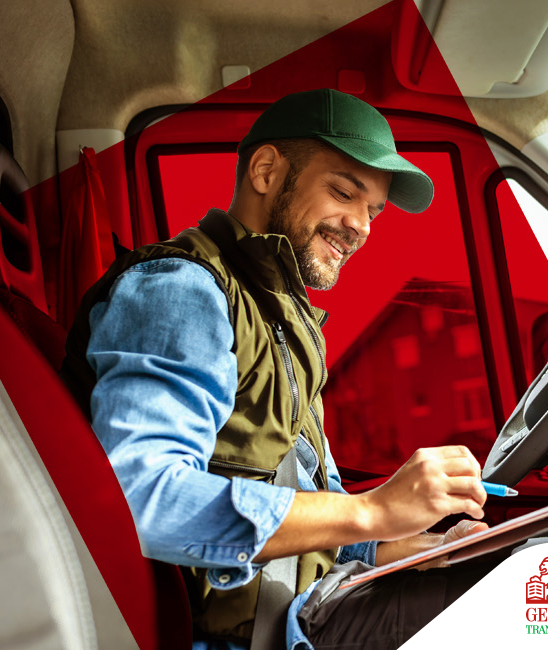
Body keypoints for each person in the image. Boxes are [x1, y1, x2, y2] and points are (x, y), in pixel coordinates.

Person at [59, 89, 497, 650]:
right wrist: (371, 510)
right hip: (267, 628)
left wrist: (393, 547)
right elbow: (141, 499)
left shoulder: (283, 318)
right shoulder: (182, 290)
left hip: (311, 594)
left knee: (528, 567)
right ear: (266, 171)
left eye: (373, 211)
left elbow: (313, 493)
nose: (361, 226)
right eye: (344, 192)